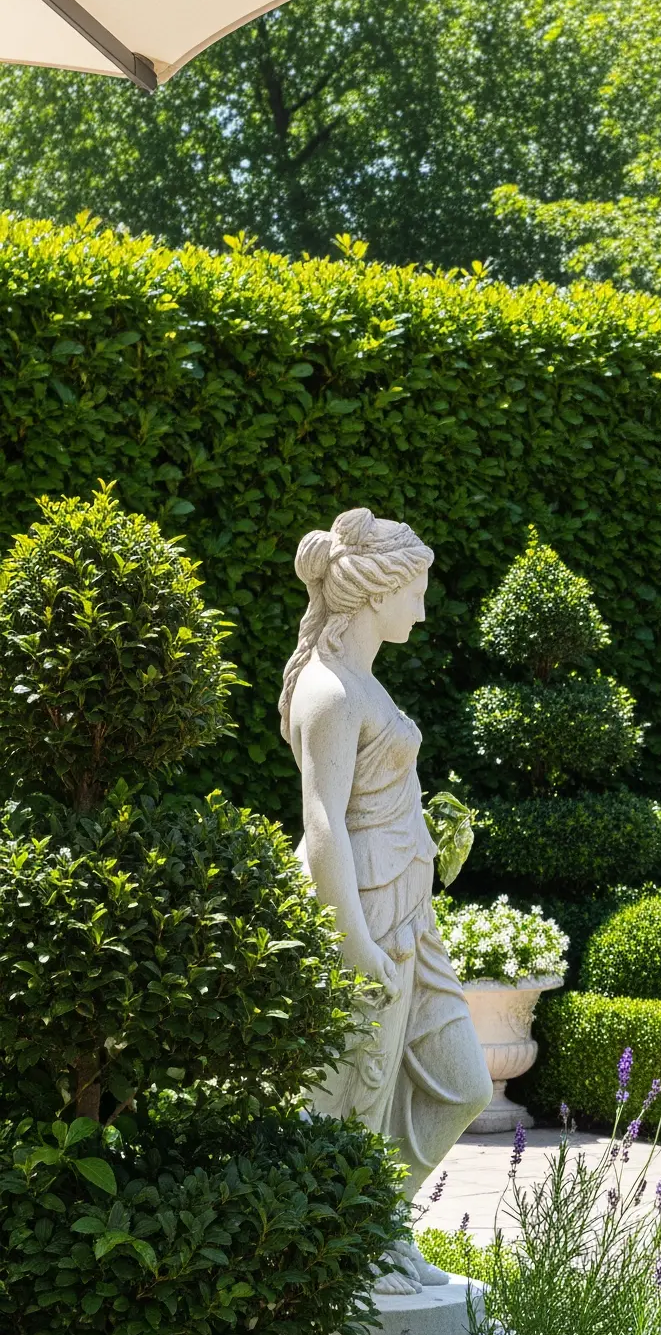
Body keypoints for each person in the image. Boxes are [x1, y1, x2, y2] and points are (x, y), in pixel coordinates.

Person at [279, 507, 491, 1291]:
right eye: (417, 591)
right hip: (364, 905)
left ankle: (369, 1227)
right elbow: (322, 819)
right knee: (357, 1092)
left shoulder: (362, 682)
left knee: (464, 1083)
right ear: (376, 591)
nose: (424, 609)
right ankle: (344, 1254)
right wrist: (353, 937)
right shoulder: (330, 692)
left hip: (408, 904)